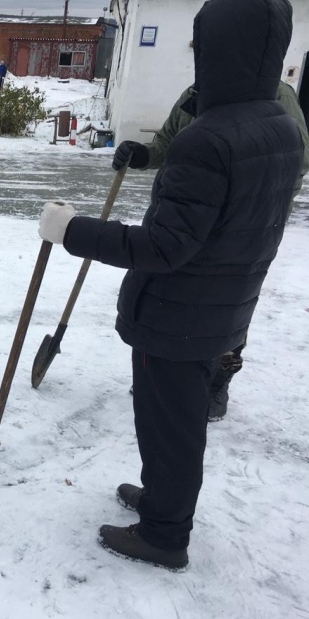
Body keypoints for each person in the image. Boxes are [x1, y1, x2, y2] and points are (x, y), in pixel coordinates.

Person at [37, 0, 302, 570]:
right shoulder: (278, 128)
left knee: (170, 428)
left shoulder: (207, 138)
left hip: (178, 314)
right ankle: (162, 501)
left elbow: (162, 245)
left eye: (199, 43)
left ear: (219, 50)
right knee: (175, 424)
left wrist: (70, 230)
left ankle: (163, 534)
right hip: (222, 306)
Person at [111, 78, 308, 422]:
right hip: (184, 214)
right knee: (169, 293)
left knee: (226, 306)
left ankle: (218, 381)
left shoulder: (275, 94)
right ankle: (164, 374)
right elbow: (168, 141)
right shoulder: (195, 92)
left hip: (245, 224)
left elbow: (299, 155)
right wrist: (143, 155)